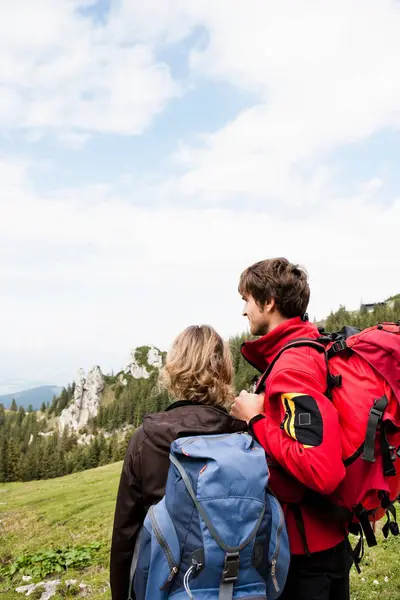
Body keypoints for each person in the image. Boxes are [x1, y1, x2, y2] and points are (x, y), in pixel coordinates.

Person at [231, 257, 352, 600]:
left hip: (307, 558)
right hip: (325, 542)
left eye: (247, 300)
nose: (243, 311)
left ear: (268, 302)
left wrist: (255, 420)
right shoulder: (307, 348)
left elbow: (321, 470)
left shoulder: (292, 367)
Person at [110, 325, 247, 600]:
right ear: (224, 371)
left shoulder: (147, 439)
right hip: (235, 585)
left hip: (167, 585)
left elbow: (126, 532)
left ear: (174, 371)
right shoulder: (243, 435)